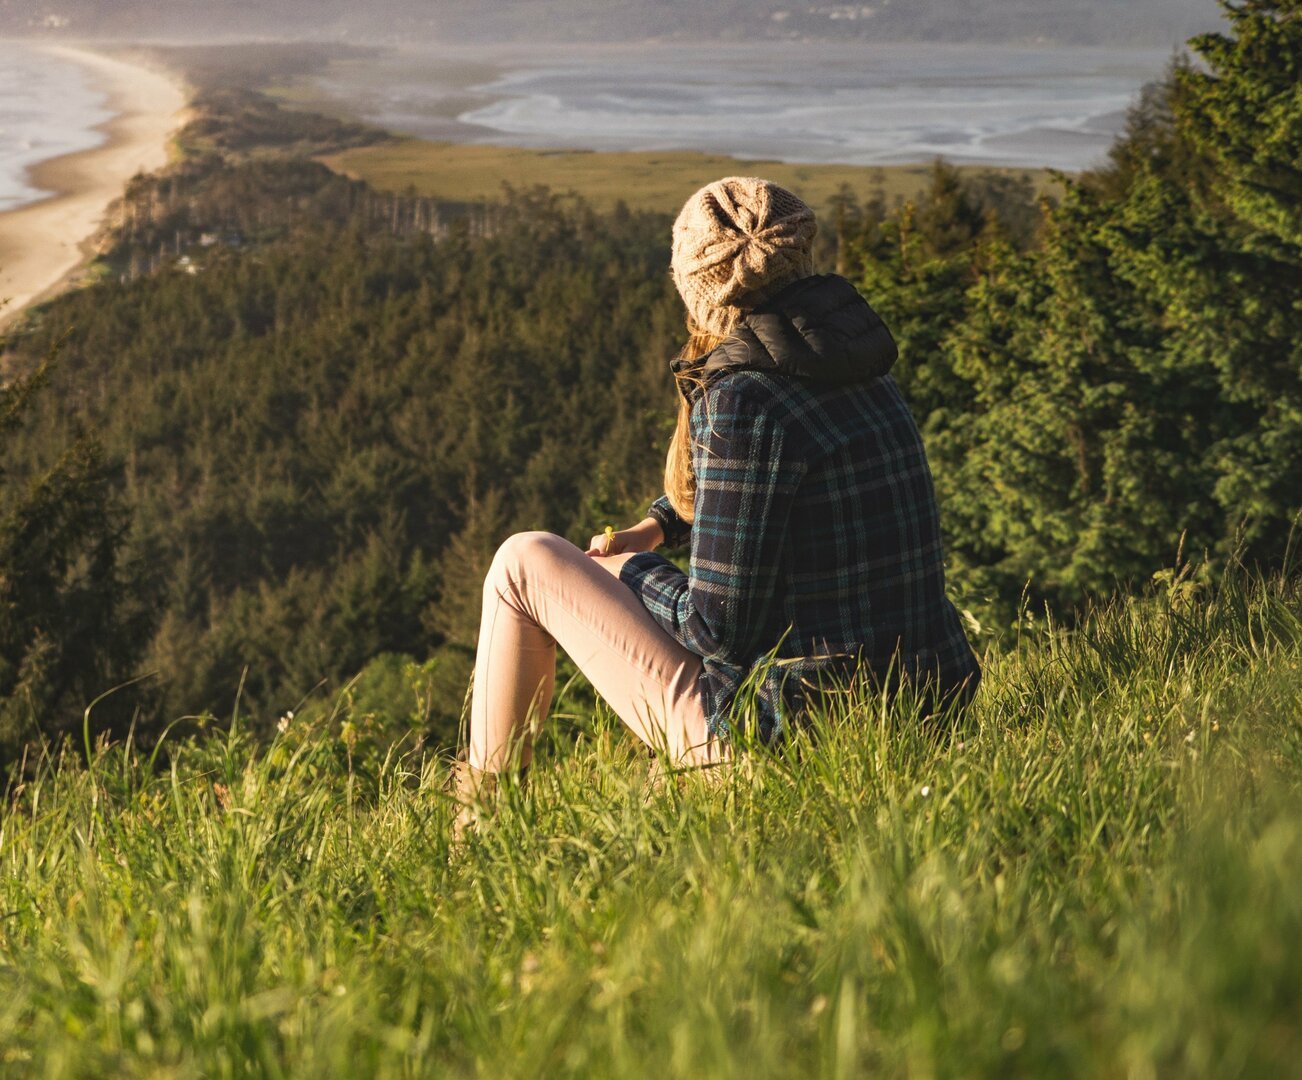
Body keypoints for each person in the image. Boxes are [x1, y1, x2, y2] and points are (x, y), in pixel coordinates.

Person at [451, 176, 979, 833]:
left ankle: (482, 827)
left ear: (695, 284)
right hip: (927, 712)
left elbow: (719, 633)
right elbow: (775, 491)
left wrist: (629, 574)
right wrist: (658, 525)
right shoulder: (857, 362)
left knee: (522, 563)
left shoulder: (746, 399)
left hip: (800, 746)